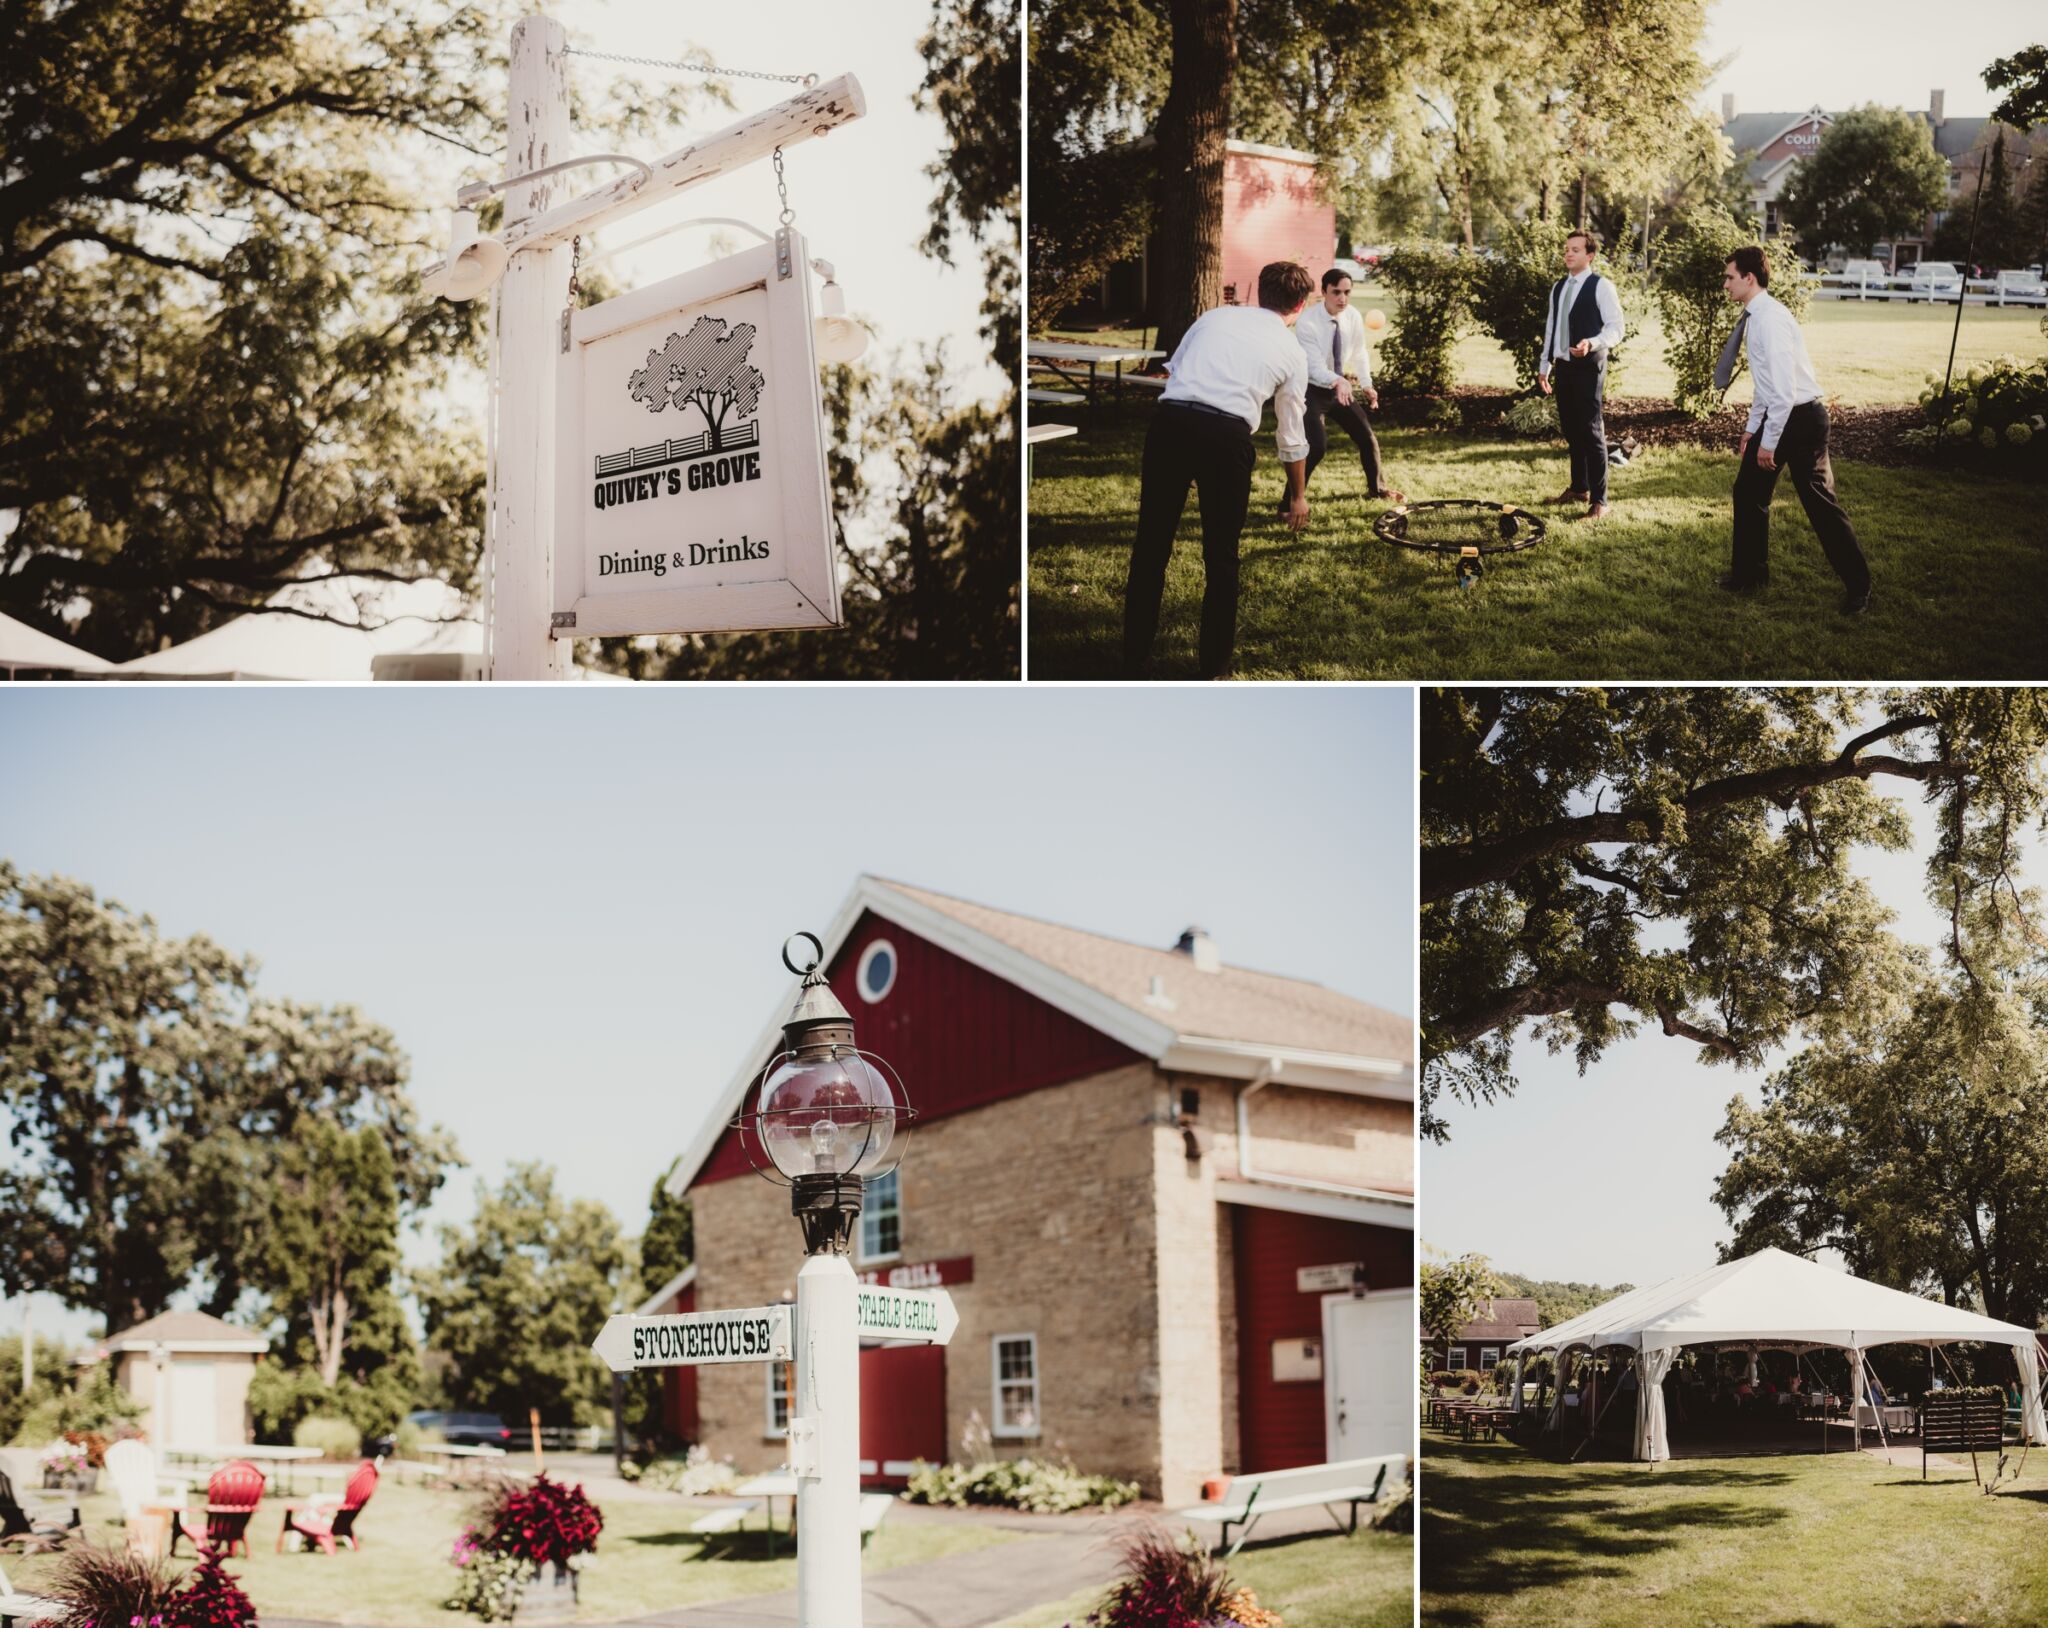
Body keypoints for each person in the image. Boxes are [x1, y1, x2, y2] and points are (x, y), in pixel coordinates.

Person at [1121, 260, 1314, 679]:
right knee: (1221, 556)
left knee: (1151, 546)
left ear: (1260, 292)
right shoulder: (1293, 353)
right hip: (1225, 438)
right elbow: (1292, 435)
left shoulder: (1213, 316)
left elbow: (1174, 370)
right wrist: (1297, 496)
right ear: (1300, 306)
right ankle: (1214, 668)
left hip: (1169, 424)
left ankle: (1133, 657)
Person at [1716, 244, 1872, 614]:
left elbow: (1784, 391)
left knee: (1820, 505)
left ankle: (1859, 587)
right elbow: (1766, 384)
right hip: (1779, 415)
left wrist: (1769, 442)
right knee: (1748, 491)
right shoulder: (1756, 316)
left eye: (1729, 277)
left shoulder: (1770, 320)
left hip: (1801, 421)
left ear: (1749, 278)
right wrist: (1752, 429)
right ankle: (1750, 574)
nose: (1725, 285)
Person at [1290, 267, 1404, 507]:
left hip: (1339, 389)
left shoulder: (1352, 315)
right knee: (1316, 448)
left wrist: (1366, 384)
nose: (1342, 298)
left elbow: (1360, 352)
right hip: (1311, 390)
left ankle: (1378, 489)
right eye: (1336, 292)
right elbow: (1315, 367)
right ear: (1324, 292)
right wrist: (1340, 381)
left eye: (1347, 292)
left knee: (1367, 438)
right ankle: (1290, 500)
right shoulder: (1307, 323)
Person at [1537, 229, 1625, 519]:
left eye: (1575, 249)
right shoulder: (1558, 287)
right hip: (1563, 367)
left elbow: (1616, 328)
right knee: (1572, 429)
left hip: (1589, 366)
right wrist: (1545, 365)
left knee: (1591, 431)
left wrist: (1593, 343)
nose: (1568, 253)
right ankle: (1579, 487)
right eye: (1566, 249)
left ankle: (1600, 501)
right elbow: (1552, 327)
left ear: (1590, 255)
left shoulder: (1602, 286)